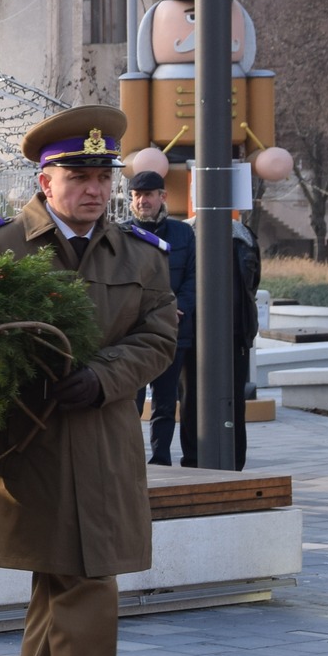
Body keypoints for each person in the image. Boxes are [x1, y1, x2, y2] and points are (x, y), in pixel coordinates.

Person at [0, 106, 177, 656]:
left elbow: (161, 334)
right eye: (79, 176)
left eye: (103, 175)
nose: (94, 189)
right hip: (30, 451)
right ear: (44, 179)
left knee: (63, 597)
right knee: (81, 596)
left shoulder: (140, 254)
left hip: (105, 446)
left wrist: (104, 375)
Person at [127, 171, 197, 467]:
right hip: (133, 332)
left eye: (149, 194)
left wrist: (175, 307)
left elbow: (195, 277)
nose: (143, 201)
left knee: (166, 402)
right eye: (137, 195)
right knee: (131, 402)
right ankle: (129, 460)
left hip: (174, 330)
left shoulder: (183, 233)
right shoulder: (121, 233)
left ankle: (161, 459)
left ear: (162, 197)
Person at [229, 211, 263, 470]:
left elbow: (251, 284)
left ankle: (236, 462)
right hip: (197, 336)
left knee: (236, 402)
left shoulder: (245, 237)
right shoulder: (190, 233)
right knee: (193, 402)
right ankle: (195, 462)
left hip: (237, 333)